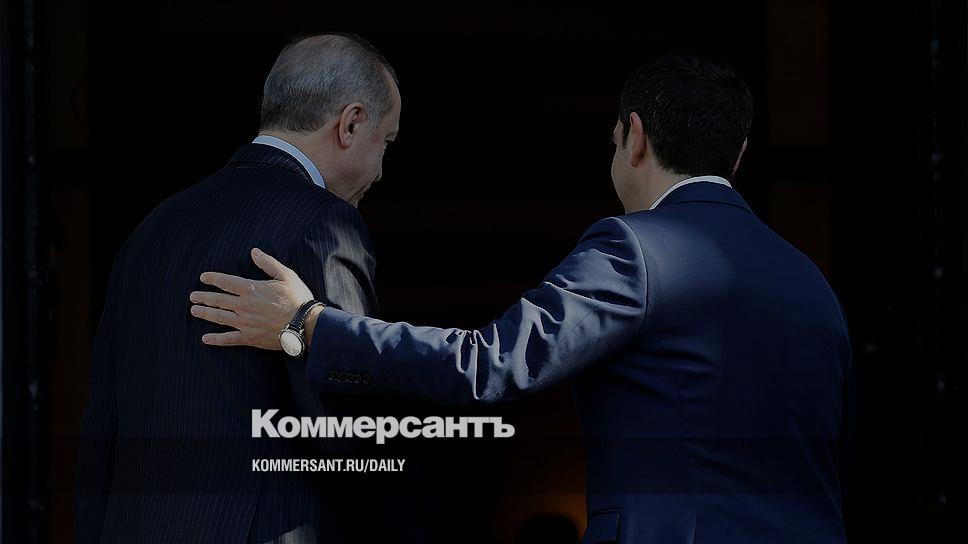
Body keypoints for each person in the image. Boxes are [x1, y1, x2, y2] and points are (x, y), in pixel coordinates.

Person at [190, 55, 852, 543]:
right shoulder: (812, 283)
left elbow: (490, 365)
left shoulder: (638, 249)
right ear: (739, 154)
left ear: (635, 136)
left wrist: (310, 323)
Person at [77, 33, 441, 543]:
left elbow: (102, 428)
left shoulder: (152, 229)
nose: (381, 171)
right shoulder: (324, 223)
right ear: (351, 123)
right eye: (387, 142)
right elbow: (352, 426)